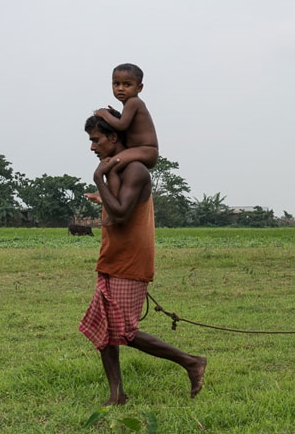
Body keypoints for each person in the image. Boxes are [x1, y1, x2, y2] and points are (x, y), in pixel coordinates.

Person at [80, 110, 205, 405]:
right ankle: (117, 394)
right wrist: (104, 194)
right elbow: (119, 207)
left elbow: (121, 214)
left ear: (114, 137)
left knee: (124, 330)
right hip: (111, 258)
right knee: (105, 328)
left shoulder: (135, 170)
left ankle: (191, 362)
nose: (92, 147)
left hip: (131, 262)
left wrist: (98, 178)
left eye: (96, 140)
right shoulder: (117, 172)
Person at [93, 63, 159, 174]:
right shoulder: (130, 104)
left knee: (111, 165)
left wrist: (105, 114)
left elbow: (122, 125)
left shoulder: (133, 102)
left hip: (145, 150)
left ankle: (105, 191)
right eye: (116, 84)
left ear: (139, 87)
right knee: (114, 165)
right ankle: (111, 190)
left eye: (127, 85)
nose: (120, 88)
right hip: (138, 150)